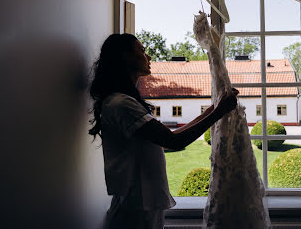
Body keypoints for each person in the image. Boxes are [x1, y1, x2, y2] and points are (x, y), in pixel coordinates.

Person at [89, 33, 238, 229]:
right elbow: (173, 141)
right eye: (142, 51)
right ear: (125, 57)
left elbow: (167, 138)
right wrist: (218, 112)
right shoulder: (122, 104)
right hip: (136, 207)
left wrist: (212, 110)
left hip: (140, 202)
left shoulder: (123, 102)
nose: (148, 57)